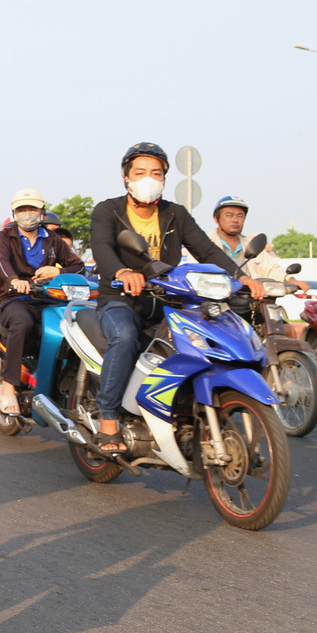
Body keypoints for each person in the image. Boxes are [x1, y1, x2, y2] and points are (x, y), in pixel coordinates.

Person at [89, 143, 264, 454]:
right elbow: (102, 248)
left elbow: (207, 251)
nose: (148, 179)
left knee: (198, 342)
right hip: (120, 298)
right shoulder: (108, 210)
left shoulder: (175, 213)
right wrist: (121, 272)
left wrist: (240, 278)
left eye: (156, 173)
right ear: (126, 177)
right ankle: (108, 418)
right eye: (140, 172)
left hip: (166, 299)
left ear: (165, 179)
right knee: (126, 336)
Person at [0, 190, 85, 413]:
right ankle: (8, 386)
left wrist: (57, 270)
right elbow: (2, 262)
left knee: (70, 327)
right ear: (14, 213)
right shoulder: (5, 236)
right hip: (15, 299)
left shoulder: (54, 240)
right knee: (22, 322)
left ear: (42, 212)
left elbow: (79, 266)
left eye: (32, 209)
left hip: (48, 299)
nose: (27, 214)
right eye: (22, 209)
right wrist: (15, 281)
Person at [208, 195, 310, 292]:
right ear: (216, 218)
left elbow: (271, 268)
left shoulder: (251, 245)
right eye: (229, 215)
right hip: (215, 301)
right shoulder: (206, 244)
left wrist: (290, 280)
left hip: (249, 300)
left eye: (240, 216)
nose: (235, 220)